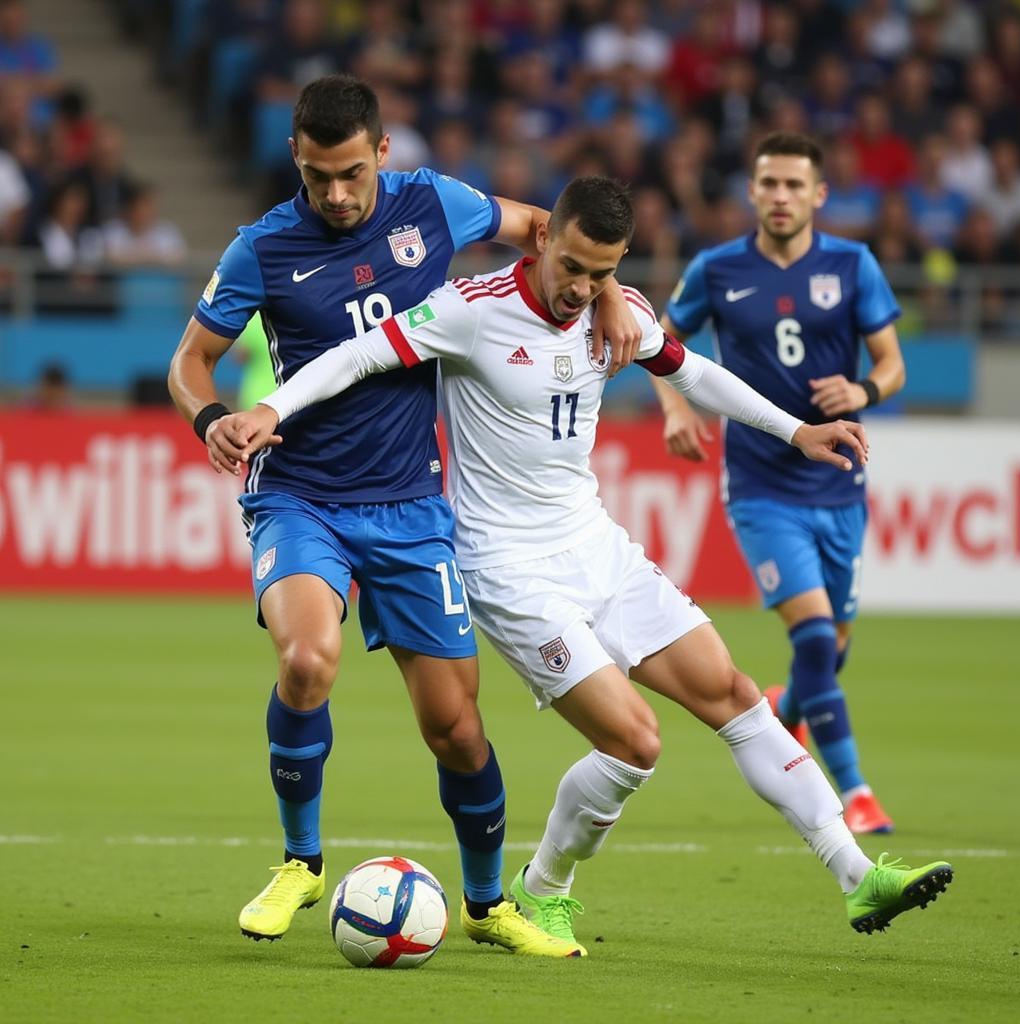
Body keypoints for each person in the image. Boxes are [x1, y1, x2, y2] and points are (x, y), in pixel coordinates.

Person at [214, 176, 952, 953]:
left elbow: (692, 372)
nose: (580, 289)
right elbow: (359, 356)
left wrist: (797, 430)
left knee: (734, 694)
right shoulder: (470, 310)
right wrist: (269, 411)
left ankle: (856, 875)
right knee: (635, 742)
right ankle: (545, 886)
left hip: (596, 546)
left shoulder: (619, 311)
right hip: (507, 568)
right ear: (545, 239)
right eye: (571, 266)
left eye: (601, 273)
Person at [167, 74, 640, 957]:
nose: (336, 195)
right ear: (296, 162)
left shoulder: (438, 204)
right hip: (298, 493)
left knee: (457, 729)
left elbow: (550, 229)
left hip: (413, 505)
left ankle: (490, 905)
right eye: (317, 177)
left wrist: (609, 291)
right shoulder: (260, 249)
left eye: (350, 173)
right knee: (308, 658)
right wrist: (210, 417)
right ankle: (300, 863)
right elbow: (189, 361)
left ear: (383, 153)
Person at [650, 132, 907, 834]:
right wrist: (675, 406)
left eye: (796, 185)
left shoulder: (853, 265)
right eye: (769, 184)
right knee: (819, 639)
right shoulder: (717, 267)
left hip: (840, 481)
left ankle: (788, 712)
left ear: (820, 194)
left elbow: (892, 365)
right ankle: (853, 794)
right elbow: (657, 342)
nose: (781, 197)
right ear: (753, 191)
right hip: (762, 486)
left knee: (832, 650)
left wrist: (860, 390)